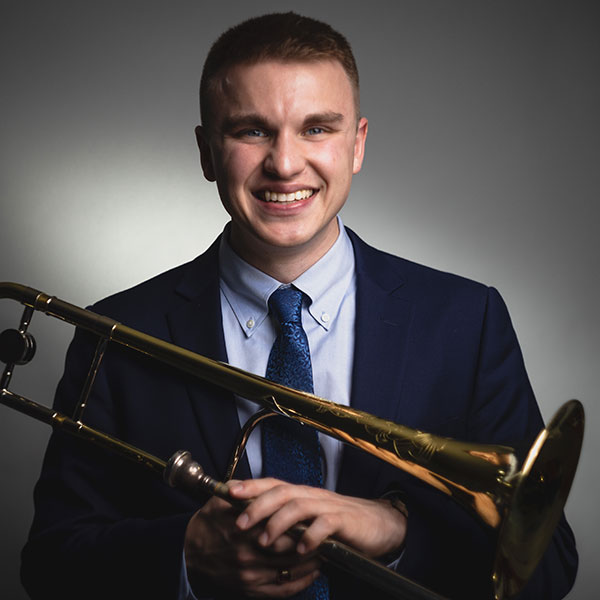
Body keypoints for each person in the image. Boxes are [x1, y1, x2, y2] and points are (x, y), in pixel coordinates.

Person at [21, 12, 577, 600]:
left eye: (317, 129)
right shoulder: (116, 332)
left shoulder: (467, 321)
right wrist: (186, 557)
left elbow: (547, 568)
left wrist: (395, 530)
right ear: (208, 152)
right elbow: (50, 568)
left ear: (356, 144)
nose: (285, 164)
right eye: (251, 131)